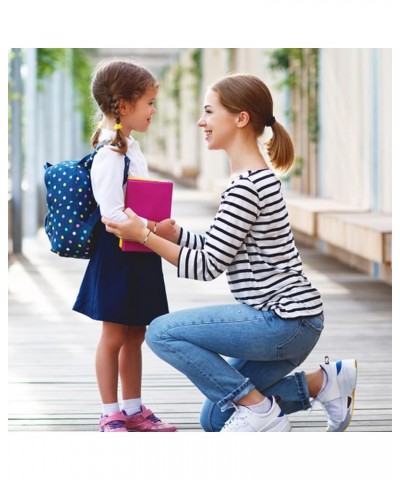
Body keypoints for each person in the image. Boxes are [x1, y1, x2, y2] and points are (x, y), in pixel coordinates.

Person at [102, 73, 357, 432]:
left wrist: (143, 235)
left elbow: (206, 267)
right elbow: (224, 245)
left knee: (161, 332)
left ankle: (260, 412)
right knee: (215, 417)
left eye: (209, 112)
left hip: (282, 320)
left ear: (240, 119)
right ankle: (324, 383)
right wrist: (178, 236)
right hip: (295, 321)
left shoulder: (246, 186)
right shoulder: (253, 179)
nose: (201, 121)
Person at [73, 59, 177, 432]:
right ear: (123, 106)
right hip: (118, 254)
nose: (153, 110)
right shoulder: (110, 154)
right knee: (114, 334)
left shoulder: (130, 148)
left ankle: (133, 409)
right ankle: (109, 411)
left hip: (138, 252)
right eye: (149, 102)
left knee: (136, 333)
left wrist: (153, 227)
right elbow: (112, 214)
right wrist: (154, 226)